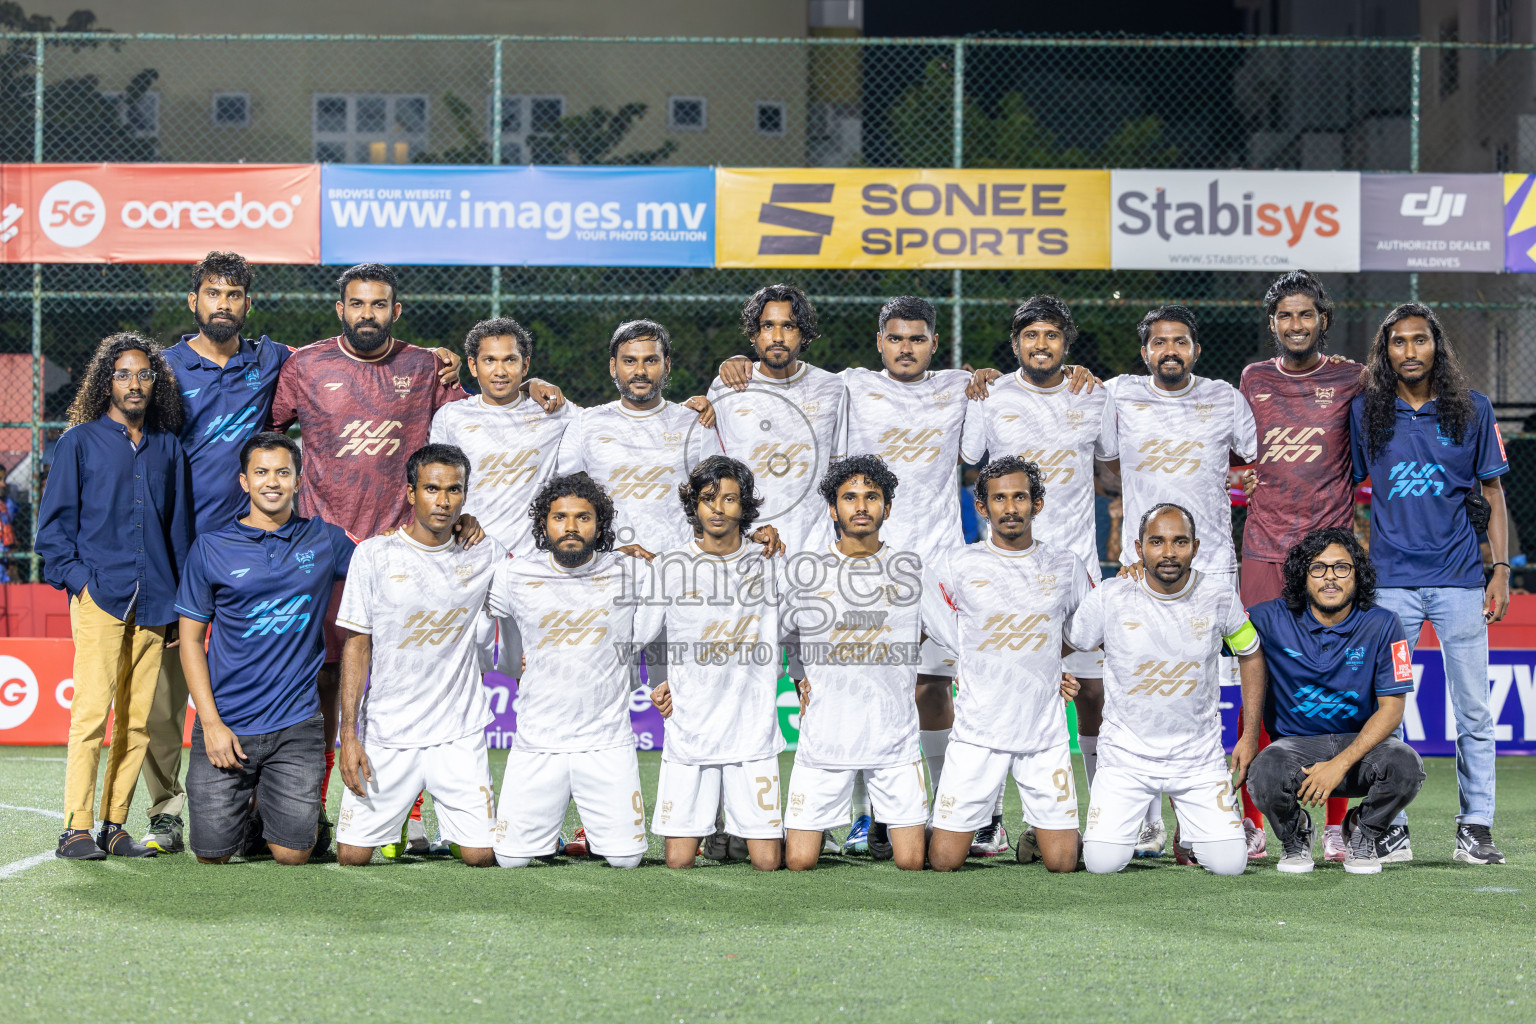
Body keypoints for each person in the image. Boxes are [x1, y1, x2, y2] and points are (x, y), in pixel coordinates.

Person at [727, 295, 986, 855]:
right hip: (858, 560)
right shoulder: (851, 386)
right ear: (879, 343)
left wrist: (986, 377)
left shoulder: (959, 388)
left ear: (934, 344)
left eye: (917, 339)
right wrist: (728, 373)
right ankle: (864, 815)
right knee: (851, 684)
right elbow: (788, 389)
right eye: (895, 338)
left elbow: (983, 432)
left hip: (935, 558)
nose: (906, 348)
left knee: (932, 686)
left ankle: (953, 812)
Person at [269, 262, 484, 854]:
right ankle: (308, 811)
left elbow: (477, 420)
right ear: (341, 310)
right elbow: (263, 428)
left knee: (397, 680)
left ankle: (407, 818)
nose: (369, 313)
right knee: (317, 679)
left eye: (380, 304)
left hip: (401, 551)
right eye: (358, 304)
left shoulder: (424, 366)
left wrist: (540, 392)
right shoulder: (305, 364)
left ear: (397, 310)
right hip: (318, 551)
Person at [140, 251, 291, 855]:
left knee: (243, 687)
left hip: (251, 561)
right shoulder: (165, 369)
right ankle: (165, 808)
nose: (222, 304)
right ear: (193, 302)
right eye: (212, 294)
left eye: (234, 294)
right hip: (178, 553)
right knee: (164, 695)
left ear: (247, 304)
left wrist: (437, 360)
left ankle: (253, 806)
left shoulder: (271, 360)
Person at [1350, 303, 1509, 865]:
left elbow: (1493, 495)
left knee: (1473, 712)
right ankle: (1392, 826)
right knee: (1386, 709)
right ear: (1385, 352)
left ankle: (1476, 826)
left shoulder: (1473, 410)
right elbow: (1347, 492)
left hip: (1462, 582)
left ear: (1435, 346)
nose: (1410, 351)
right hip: (1390, 586)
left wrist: (1501, 569)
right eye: (1398, 342)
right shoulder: (1367, 412)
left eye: (1420, 340)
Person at [1102, 304, 1258, 858]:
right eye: (1160, 342)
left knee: (1215, 691)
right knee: (1141, 683)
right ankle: (1142, 820)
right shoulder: (1116, 394)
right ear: (1145, 351)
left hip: (1213, 565)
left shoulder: (1224, 398)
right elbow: (1094, 449)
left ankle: (1207, 818)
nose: (1171, 350)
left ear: (1196, 349)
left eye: (1181, 341)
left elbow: (1258, 461)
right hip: (1141, 568)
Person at [965, 296, 1115, 856]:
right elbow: (971, 458)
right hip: (1006, 571)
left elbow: (1110, 458)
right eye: (1030, 336)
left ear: (1066, 344)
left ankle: (1105, 811)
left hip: (1075, 568)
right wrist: (977, 377)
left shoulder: (1091, 393)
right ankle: (988, 819)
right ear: (1015, 345)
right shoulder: (990, 394)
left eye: (1052, 335)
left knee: (1092, 689)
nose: (1041, 345)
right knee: (999, 688)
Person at [38, 332, 193, 860]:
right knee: (90, 717)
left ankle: (114, 825)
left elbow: (179, 532)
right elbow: (52, 533)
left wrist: (179, 606)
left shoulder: (169, 448)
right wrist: (80, 583)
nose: (134, 383)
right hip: (100, 597)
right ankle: (75, 829)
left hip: (156, 602)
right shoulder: (78, 442)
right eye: (124, 373)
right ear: (107, 380)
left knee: (137, 721)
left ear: (156, 383)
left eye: (144, 374)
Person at [174, 432, 353, 864]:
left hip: (296, 725)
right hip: (228, 726)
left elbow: (391, 557)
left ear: (298, 480)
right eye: (261, 473)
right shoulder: (211, 547)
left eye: (282, 472)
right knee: (212, 855)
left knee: (292, 856)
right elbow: (191, 642)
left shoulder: (325, 541)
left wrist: (455, 527)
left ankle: (281, 817)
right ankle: (252, 810)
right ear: (244, 481)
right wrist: (211, 725)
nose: (271, 481)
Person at [1236, 270, 1363, 863]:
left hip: (1329, 552)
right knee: (1255, 682)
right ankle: (1251, 819)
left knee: (1338, 683)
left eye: (1305, 314)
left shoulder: (1351, 378)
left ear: (1323, 321)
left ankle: (1336, 822)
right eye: (1284, 316)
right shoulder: (1253, 379)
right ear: (1272, 324)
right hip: (1264, 549)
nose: (1295, 325)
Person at [1067, 503, 1265, 877]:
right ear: (1139, 549)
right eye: (1157, 542)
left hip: (1198, 759)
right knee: (1101, 864)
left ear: (1196, 546)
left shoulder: (1219, 596)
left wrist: (1250, 735)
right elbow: (1071, 640)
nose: (1169, 552)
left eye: (1180, 542)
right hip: (1126, 757)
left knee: (1230, 866)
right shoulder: (1111, 596)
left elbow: (1252, 655)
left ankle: (1189, 833)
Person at [334, 444, 503, 868]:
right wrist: (349, 734)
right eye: (431, 488)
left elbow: (546, 572)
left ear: (465, 495)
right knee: (353, 856)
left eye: (453, 490)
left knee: (481, 856)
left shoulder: (485, 553)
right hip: (390, 731)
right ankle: (404, 817)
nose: (442, 501)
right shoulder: (373, 555)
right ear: (411, 493)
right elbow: (356, 645)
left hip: (458, 731)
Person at [781, 455, 952, 872]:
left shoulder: (910, 570)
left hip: (893, 741)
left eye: (871, 497)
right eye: (850, 497)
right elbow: (784, 633)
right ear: (832, 508)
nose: (861, 506)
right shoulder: (806, 570)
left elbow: (954, 633)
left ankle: (900, 821)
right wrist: (799, 677)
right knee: (799, 862)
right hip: (825, 740)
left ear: (887, 508)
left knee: (912, 862)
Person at [924, 456, 1090, 873]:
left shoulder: (1066, 565)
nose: (1011, 507)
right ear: (983, 507)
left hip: (1044, 733)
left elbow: (1086, 629)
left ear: (1038, 504)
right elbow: (938, 630)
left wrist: (1049, 664)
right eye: (1000, 498)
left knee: (1064, 864)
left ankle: (1042, 833)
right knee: (943, 862)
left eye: (1020, 497)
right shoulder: (955, 565)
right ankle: (922, 823)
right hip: (978, 732)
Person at [485, 473, 654, 869]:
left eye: (583, 517)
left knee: (626, 860)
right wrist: (513, 666)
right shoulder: (513, 576)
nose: (571, 527)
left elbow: (662, 620)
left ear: (600, 524)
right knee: (510, 859)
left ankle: (585, 836)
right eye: (560, 517)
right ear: (544, 523)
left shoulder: (633, 572)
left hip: (607, 741)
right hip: (538, 741)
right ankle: (545, 835)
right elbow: (504, 641)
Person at [642, 456, 792, 872]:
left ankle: (733, 831)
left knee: (768, 864)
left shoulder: (769, 558)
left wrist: (800, 676)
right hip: (693, 728)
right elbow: (649, 635)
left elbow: (795, 625)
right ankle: (715, 828)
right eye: (709, 499)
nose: (719, 508)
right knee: (677, 861)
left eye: (730, 498)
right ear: (695, 506)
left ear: (744, 507)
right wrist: (659, 683)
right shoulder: (669, 565)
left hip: (752, 726)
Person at [1245, 528, 1425, 875]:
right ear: (1304, 575)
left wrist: (1339, 764)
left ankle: (1363, 831)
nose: (1330, 578)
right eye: (1318, 568)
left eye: (1341, 568)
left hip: (1359, 746)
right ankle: (1296, 835)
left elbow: (1392, 710)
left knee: (1406, 765)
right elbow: (1212, 627)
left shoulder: (1385, 622)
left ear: (1357, 574)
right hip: (1295, 747)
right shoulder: (1268, 618)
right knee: (1263, 772)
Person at [709, 284, 849, 556]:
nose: (777, 337)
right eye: (767, 326)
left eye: (788, 326)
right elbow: (711, 478)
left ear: (804, 334)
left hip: (814, 548)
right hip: (745, 548)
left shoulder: (832, 388)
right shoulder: (726, 386)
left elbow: (839, 471)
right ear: (753, 333)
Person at [429, 317, 574, 556]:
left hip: (533, 558)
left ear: (525, 365)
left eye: (510, 360)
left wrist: (532, 385)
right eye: (489, 360)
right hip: (469, 552)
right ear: (473, 366)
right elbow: (437, 484)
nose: (500, 371)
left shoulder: (552, 410)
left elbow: (600, 424)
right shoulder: (451, 416)